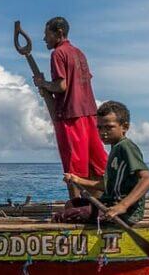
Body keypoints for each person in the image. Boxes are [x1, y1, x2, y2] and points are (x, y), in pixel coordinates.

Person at [32, 16, 108, 199]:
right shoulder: (79, 53)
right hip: (89, 113)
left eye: (47, 34)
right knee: (95, 162)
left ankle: (76, 206)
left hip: (71, 116)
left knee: (73, 165)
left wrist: (44, 83)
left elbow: (62, 86)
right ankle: (100, 201)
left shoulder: (58, 53)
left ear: (59, 33)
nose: (44, 39)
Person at [52, 101, 149, 224]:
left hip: (124, 213)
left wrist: (122, 206)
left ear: (125, 127)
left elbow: (148, 179)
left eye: (109, 127)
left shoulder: (126, 147)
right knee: (72, 204)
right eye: (99, 128)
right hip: (108, 204)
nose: (103, 132)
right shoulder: (115, 148)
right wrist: (78, 180)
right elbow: (108, 185)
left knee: (60, 217)